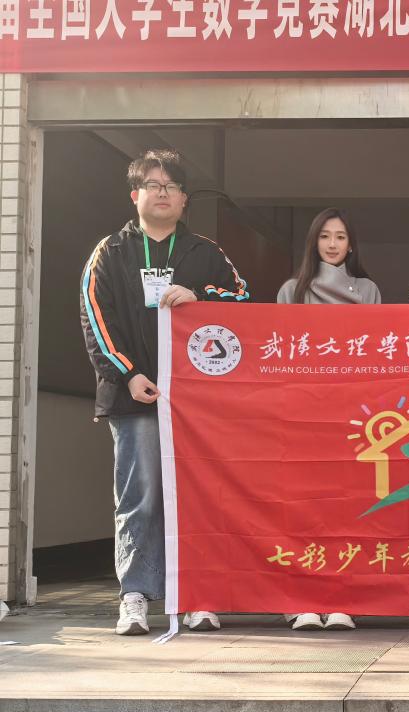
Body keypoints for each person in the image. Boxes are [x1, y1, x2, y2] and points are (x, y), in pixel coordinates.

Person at [80, 149, 250, 636]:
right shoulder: (111, 252)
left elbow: (243, 298)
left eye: (171, 186)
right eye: (152, 185)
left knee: (197, 496)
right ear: (135, 195)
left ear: (183, 200)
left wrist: (202, 296)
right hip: (135, 397)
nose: (162, 193)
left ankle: (195, 594)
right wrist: (129, 374)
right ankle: (134, 595)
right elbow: (96, 318)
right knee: (141, 496)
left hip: (198, 405)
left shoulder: (205, 253)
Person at [277, 207, 381, 630]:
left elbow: (376, 354)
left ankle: (343, 599)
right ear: (313, 242)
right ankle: (300, 600)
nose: (333, 244)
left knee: (348, 509)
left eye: (340, 236)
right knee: (302, 509)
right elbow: (280, 355)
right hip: (303, 417)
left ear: (351, 244)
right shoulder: (291, 291)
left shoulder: (368, 290)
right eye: (324, 236)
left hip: (352, 417)